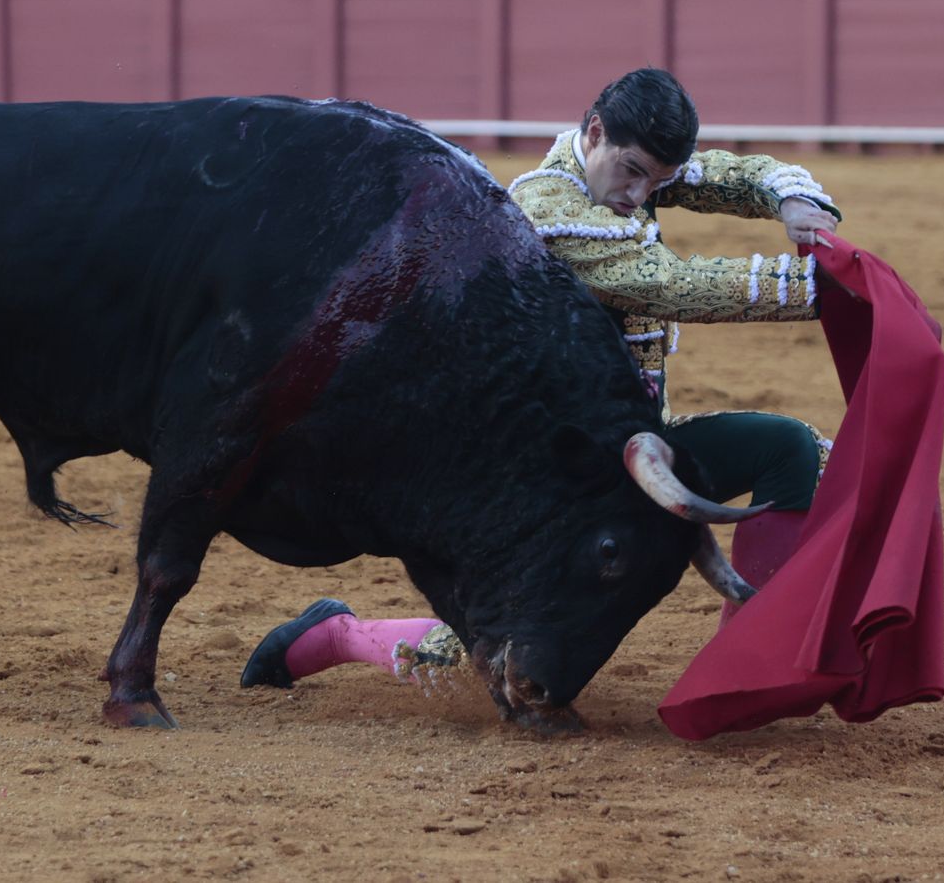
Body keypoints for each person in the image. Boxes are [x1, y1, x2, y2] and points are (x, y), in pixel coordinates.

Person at [242, 68, 845, 692]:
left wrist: (790, 198)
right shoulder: (547, 208)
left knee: (790, 448)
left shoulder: (623, 175)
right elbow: (664, 284)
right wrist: (816, 285)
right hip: (544, 478)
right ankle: (333, 635)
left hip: (630, 452)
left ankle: (752, 662)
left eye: (657, 181)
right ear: (595, 132)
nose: (640, 193)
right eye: (634, 172)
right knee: (491, 658)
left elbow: (724, 174)